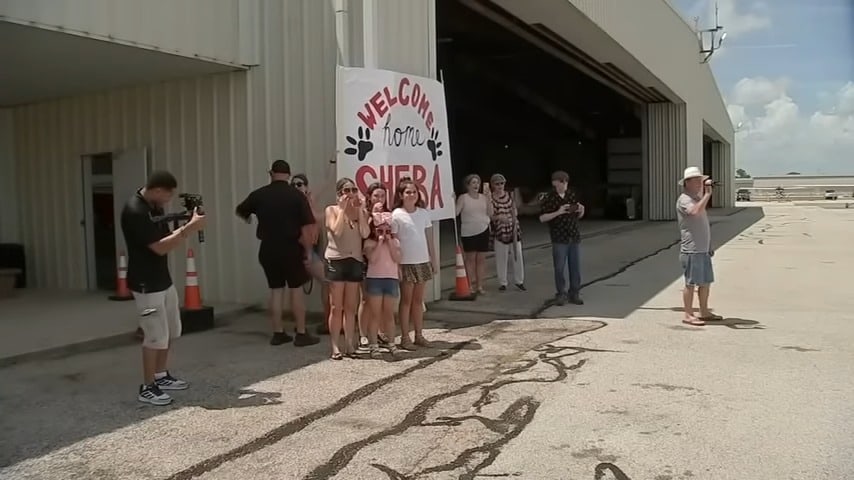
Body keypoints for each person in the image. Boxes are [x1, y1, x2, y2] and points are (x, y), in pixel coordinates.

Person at [121, 170, 206, 406]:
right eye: (168, 196)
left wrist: (184, 222)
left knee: (170, 331)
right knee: (154, 336)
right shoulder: (135, 210)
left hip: (162, 279)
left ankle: (161, 375)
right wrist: (189, 229)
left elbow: (165, 235)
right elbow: (158, 247)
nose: (168, 202)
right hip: (146, 283)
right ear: (158, 190)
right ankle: (147, 386)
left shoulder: (153, 206)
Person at [235, 160, 320, 347]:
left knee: (275, 290)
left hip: (267, 248)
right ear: (288, 175)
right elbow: (307, 228)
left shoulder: (259, 194)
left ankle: (278, 332)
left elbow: (241, 210)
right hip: (290, 248)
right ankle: (301, 333)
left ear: (271, 173)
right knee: (296, 289)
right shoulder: (297, 197)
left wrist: (251, 218)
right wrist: (307, 252)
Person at [324, 178, 370, 359]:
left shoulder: (360, 212)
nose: (350, 194)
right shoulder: (332, 210)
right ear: (339, 194)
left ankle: (350, 344)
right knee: (337, 307)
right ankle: (335, 346)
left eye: (353, 190)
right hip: (336, 260)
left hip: (355, 260)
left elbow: (365, 233)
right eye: (346, 190)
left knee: (351, 307)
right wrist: (343, 210)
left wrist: (360, 210)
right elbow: (336, 231)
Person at [392, 178, 438, 350]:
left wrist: (433, 260)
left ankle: (419, 335)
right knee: (406, 301)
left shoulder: (424, 213)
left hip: (422, 261)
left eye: (414, 192)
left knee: (418, 301)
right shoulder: (396, 215)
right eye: (408, 192)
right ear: (401, 195)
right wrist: (396, 265)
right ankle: (404, 337)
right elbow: (394, 242)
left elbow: (429, 238)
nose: (411, 195)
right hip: (406, 263)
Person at [676, 166, 720, 326]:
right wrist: (707, 194)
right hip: (691, 250)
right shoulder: (684, 199)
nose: (700, 183)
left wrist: (709, 245)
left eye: (701, 181)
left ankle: (704, 311)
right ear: (687, 183)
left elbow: (703, 225)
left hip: (702, 249)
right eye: (696, 181)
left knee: (705, 282)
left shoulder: (696, 199)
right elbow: (694, 213)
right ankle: (688, 314)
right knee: (690, 282)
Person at [291, 173, 332, 335]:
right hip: (302, 250)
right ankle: (317, 323)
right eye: (293, 185)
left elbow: (324, 183)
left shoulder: (305, 202)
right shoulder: (297, 205)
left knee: (298, 287)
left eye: (300, 184)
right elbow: (314, 220)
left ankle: (323, 321)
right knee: (324, 282)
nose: (296, 187)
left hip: (310, 250)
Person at [539, 170, 586, 306]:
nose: (564, 184)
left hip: (573, 235)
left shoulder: (571, 194)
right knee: (559, 267)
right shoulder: (549, 198)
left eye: (566, 182)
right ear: (555, 183)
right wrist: (558, 211)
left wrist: (581, 210)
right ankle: (561, 293)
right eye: (562, 181)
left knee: (575, 267)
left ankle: (574, 293)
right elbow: (542, 218)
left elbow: (578, 216)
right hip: (559, 237)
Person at [363, 209, 401, 358]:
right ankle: (373, 345)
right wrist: (379, 242)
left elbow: (397, 258)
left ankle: (391, 342)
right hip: (375, 280)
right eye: (380, 230)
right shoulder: (369, 242)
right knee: (375, 314)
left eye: (387, 230)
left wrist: (390, 242)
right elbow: (372, 259)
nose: (384, 233)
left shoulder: (395, 242)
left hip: (391, 279)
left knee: (389, 314)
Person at [455, 174, 493, 294]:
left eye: (478, 182)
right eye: (473, 183)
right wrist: (452, 200)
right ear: (468, 185)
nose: (476, 185)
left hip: (483, 229)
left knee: (481, 259)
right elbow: (456, 212)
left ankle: (480, 286)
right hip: (469, 232)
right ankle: (469, 285)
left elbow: (490, 213)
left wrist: (489, 199)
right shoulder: (463, 198)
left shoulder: (483, 197)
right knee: (470, 259)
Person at [489, 174, 525, 291]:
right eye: (497, 184)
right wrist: (499, 217)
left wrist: (513, 216)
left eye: (502, 183)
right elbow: (490, 215)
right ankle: (503, 282)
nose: (500, 186)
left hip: (513, 228)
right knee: (501, 256)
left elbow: (515, 209)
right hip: (500, 230)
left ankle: (519, 280)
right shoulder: (491, 198)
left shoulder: (510, 195)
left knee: (517, 254)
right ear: (493, 185)